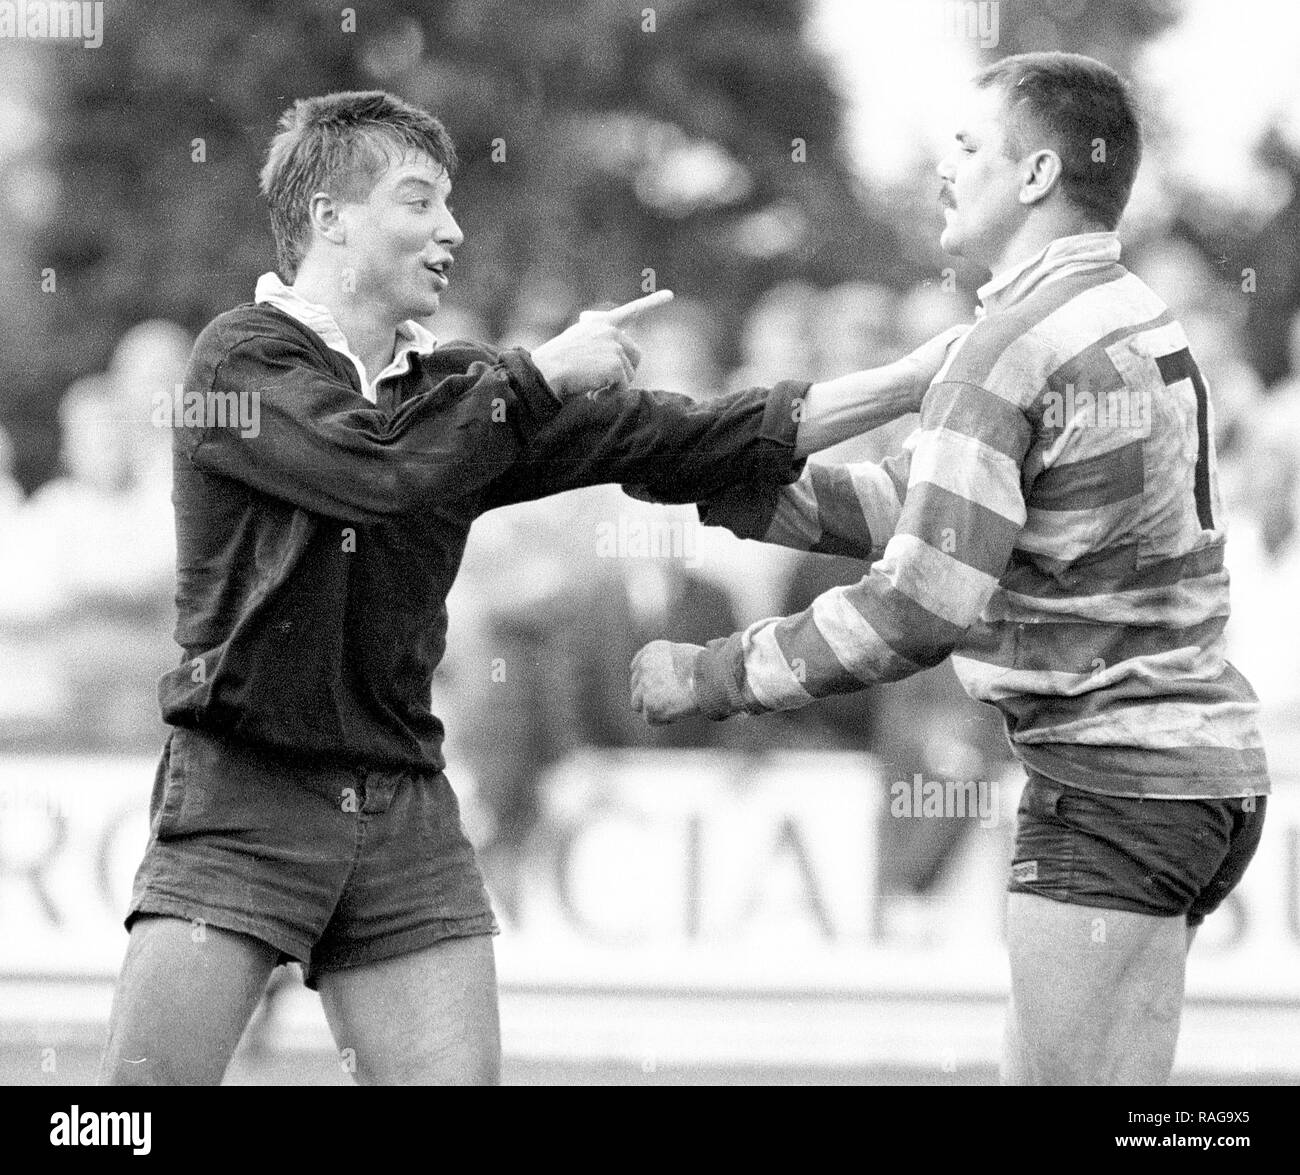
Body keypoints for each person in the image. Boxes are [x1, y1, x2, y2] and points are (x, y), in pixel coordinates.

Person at [98, 89, 958, 1086]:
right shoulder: (239, 358)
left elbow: (678, 435)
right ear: (330, 219)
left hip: (402, 803)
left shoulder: (462, 391)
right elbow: (377, 470)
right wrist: (539, 374)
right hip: (243, 789)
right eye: (419, 202)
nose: (451, 229)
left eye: (450, 204)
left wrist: (910, 379)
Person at [631, 52, 1270, 1085]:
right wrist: (743, 492)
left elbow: (920, 603)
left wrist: (716, 673)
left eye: (968, 146)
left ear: (1034, 176)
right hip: (1199, 778)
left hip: (1109, 789)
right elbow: (941, 508)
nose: (943, 168)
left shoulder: (1004, 345)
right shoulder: (1135, 313)